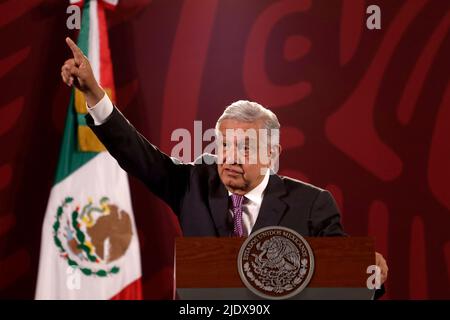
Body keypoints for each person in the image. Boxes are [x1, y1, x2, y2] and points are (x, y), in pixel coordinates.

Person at [61, 37, 388, 295]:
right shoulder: (192, 183)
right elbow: (138, 155)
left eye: (244, 147)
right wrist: (93, 93)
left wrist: (369, 274)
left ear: (271, 153)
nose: (230, 157)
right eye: (225, 145)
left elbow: (345, 277)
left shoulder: (312, 204)